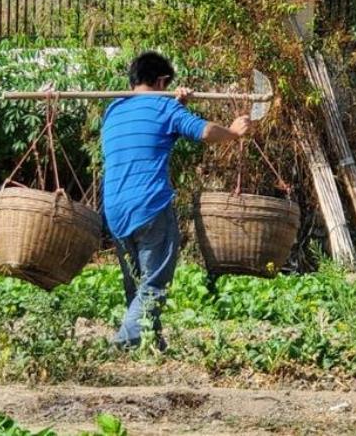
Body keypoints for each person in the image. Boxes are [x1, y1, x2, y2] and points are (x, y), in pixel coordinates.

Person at [101, 51, 253, 350]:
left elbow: (149, 131)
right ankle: (125, 341)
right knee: (154, 282)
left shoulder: (114, 109)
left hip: (115, 209)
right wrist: (234, 132)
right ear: (161, 81)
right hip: (149, 205)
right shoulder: (163, 108)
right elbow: (205, 132)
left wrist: (175, 105)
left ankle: (151, 342)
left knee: (136, 283)